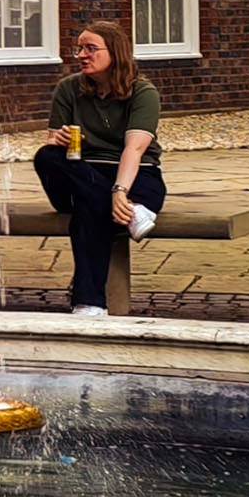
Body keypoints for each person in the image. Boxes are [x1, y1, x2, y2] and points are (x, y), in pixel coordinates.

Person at [32, 19, 163, 317]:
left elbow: (135, 149)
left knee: (89, 211)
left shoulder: (143, 93)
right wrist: (58, 139)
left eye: (91, 48)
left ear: (115, 52)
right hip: (82, 175)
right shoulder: (68, 88)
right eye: (79, 49)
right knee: (47, 157)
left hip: (133, 174)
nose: (81, 55)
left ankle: (89, 303)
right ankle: (135, 212)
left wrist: (119, 191)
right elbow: (52, 141)